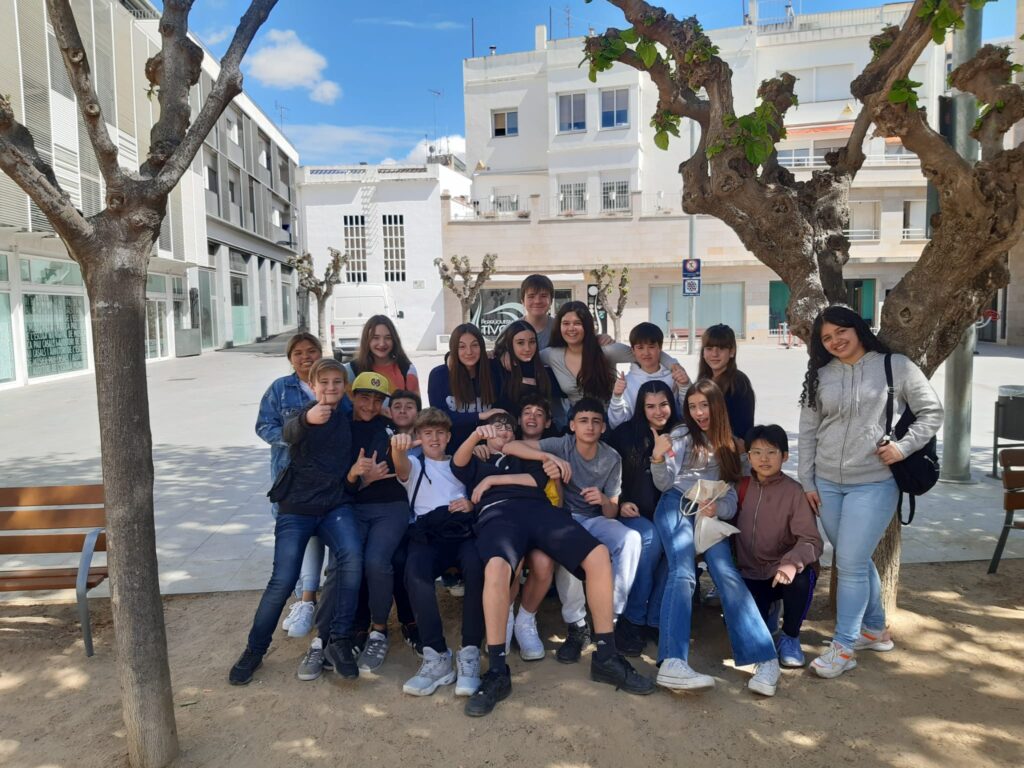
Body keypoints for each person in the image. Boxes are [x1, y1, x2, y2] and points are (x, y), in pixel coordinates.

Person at [454, 420, 654, 716]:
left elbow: (537, 482)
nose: (503, 432)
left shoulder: (526, 455)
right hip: (498, 515)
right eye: (496, 428)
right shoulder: (477, 459)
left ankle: (606, 657)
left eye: (508, 428)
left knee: (598, 554)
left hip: (540, 512)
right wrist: (475, 435)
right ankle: (497, 671)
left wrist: (533, 461)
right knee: (496, 567)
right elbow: (458, 462)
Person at [798, 305, 942, 678]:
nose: (835, 341)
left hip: (874, 482)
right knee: (854, 559)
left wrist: (903, 447)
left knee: (848, 563)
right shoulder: (820, 375)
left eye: (840, 331)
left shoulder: (895, 366)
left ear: (857, 327)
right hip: (827, 483)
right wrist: (807, 481)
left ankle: (843, 647)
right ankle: (875, 629)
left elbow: (931, 411)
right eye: (826, 338)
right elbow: (808, 431)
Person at [230, 359, 362, 685]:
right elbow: (289, 432)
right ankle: (254, 650)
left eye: (337, 382)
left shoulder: (348, 415)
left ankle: (341, 641)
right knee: (284, 579)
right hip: (297, 508)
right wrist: (307, 418)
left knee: (352, 557)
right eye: (324, 383)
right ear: (313, 386)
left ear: (344, 386)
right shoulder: (303, 412)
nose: (330, 388)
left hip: (334, 506)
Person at [651, 379, 782, 697]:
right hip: (676, 505)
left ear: (717, 406)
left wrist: (716, 509)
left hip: (709, 516)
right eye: (692, 406)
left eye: (704, 405)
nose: (698, 412)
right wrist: (657, 458)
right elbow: (665, 484)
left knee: (726, 573)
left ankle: (764, 658)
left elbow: (732, 498)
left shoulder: (732, 447)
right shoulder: (681, 436)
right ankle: (672, 662)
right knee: (683, 572)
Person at [503, 398, 641, 664]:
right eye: (583, 421)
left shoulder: (612, 457)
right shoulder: (561, 445)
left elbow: (611, 511)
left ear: (603, 428)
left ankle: (610, 617)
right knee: (570, 553)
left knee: (631, 538)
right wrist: (548, 456)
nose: (589, 427)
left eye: (596, 422)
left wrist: (602, 499)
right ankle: (577, 625)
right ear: (572, 426)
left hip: (594, 518)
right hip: (564, 517)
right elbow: (511, 445)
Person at [392, 408, 483, 697]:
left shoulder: (462, 463)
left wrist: (471, 504)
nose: (434, 438)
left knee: (477, 568)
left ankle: (469, 651)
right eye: (427, 433)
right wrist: (399, 448)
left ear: (449, 436)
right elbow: (401, 466)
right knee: (415, 574)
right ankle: (436, 655)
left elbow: (481, 494)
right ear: (418, 436)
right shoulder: (415, 466)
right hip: (428, 533)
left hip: (461, 530)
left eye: (440, 433)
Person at [255, 332, 325, 639]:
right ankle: (303, 600)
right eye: (298, 352)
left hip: (327, 481)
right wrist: (296, 435)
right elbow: (264, 426)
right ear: (290, 357)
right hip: (289, 480)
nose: (305, 356)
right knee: (295, 543)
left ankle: (321, 599)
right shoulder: (280, 390)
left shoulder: (331, 384)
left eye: (311, 351)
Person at [736, 424, 823, 668]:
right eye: (757, 452)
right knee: (747, 633)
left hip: (780, 573)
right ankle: (769, 611)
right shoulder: (739, 487)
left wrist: (790, 563)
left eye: (772, 452)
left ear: (784, 455)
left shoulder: (795, 492)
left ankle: (791, 637)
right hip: (749, 573)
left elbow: (811, 540)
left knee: (802, 577)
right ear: (748, 456)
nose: (764, 459)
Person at [606, 380, 679, 655]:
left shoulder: (681, 433)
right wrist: (620, 502)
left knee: (674, 550)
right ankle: (633, 618)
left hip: (671, 512)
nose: (658, 411)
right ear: (640, 407)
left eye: (663, 404)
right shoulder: (626, 434)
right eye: (650, 406)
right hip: (633, 513)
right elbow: (609, 473)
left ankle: (656, 619)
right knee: (650, 540)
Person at [345, 371, 410, 673]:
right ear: (353, 396)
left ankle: (379, 629)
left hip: (390, 506)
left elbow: (400, 467)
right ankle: (338, 632)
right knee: (347, 561)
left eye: (376, 399)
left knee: (376, 561)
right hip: (354, 506)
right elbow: (337, 480)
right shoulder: (340, 427)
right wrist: (359, 480)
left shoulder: (389, 428)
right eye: (364, 397)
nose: (370, 404)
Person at [541, 302, 687, 406]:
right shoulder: (552, 355)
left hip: (610, 420)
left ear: (587, 326)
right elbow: (526, 358)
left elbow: (645, 353)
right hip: (577, 423)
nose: (571, 328)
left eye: (577, 323)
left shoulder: (606, 350)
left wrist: (674, 366)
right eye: (565, 323)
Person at [428, 323, 504, 448]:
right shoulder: (439, 375)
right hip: (454, 449)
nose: (469, 352)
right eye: (461, 347)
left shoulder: (493, 371)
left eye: (474, 345)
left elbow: (501, 411)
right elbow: (439, 417)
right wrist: (479, 415)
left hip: (488, 447)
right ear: (453, 349)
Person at [607, 323, 689, 429]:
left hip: (672, 435)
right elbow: (618, 424)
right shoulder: (627, 382)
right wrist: (617, 396)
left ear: (660, 347)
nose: (646, 352)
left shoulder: (674, 376)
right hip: (638, 440)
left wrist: (684, 387)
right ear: (633, 350)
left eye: (651, 347)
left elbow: (685, 413)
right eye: (640, 348)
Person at [490, 319, 566, 427]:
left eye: (532, 342)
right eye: (520, 343)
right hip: (503, 432)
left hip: (539, 434)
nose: (527, 348)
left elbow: (569, 390)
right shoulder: (497, 366)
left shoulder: (544, 372)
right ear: (510, 344)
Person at [698, 324, 755, 448]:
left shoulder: (739, 383)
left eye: (721, 348)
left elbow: (742, 430)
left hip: (728, 453)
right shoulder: (703, 380)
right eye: (709, 348)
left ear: (732, 351)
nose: (714, 354)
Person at [346, 315, 420, 397]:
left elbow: (415, 406)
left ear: (394, 340)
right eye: (375, 337)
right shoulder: (352, 370)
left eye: (388, 338)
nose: (382, 343)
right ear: (366, 340)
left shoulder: (407, 369)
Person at [519, 274, 557, 349]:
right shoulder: (509, 330)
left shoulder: (561, 329)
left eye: (543, 296)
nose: (537, 301)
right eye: (531, 296)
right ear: (522, 301)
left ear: (551, 301)